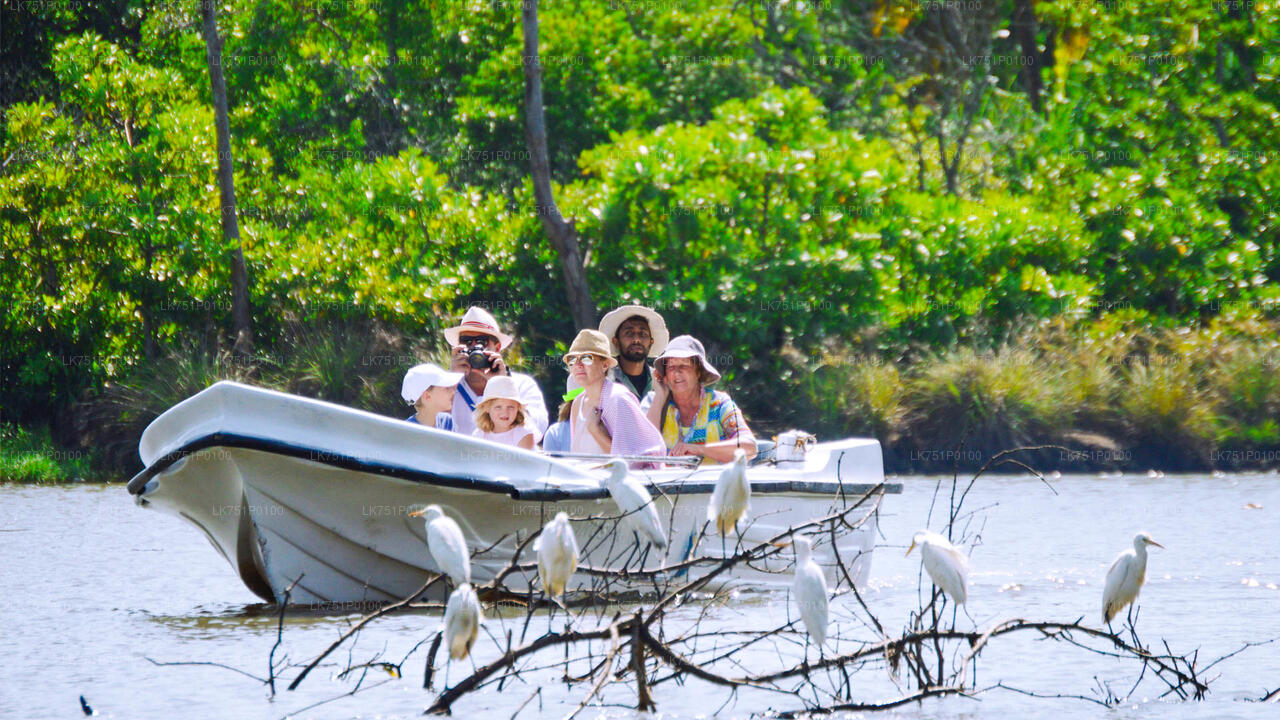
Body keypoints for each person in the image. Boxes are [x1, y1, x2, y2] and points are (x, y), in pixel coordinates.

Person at [643, 335, 757, 463]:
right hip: (664, 477)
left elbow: (749, 447)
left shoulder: (720, 404)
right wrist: (659, 396)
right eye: (671, 367)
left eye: (684, 366)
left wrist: (699, 449)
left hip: (713, 477)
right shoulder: (653, 402)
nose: (677, 372)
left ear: (698, 372)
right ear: (665, 376)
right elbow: (641, 449)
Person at [444, 306, 548, 438]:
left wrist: (503, 386)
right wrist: (450, 382)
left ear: (497, 348)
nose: (474, 348)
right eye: (466, 341)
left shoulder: (522, 385)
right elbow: (430, 428)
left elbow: (538, 430)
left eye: (482, 342)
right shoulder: (444, 387)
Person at [564, 329, 665, 459]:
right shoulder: (578, 403)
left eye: (586, 358)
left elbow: (634, 459)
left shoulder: (618, 399)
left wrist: (596, 432)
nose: (578, 365)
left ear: (605, 365)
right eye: (572, 359)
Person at [597, 304, 670, 400]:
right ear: (616, 342)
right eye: (629, 333)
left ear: (651, 343)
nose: (636, 339)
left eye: (643, 334)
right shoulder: (603, 381)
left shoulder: (661, 381)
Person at [471, 376, 536, 449]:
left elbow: (522, 456)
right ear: (487, 408)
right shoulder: (479, 434)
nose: (505, 413)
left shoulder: (523, 434)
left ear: (518, 408)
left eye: (511, 407)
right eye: (498, 407)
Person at [401, 363, 464, 429]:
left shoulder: (447, 422)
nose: (453, 392)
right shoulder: (406, 431)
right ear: (427, 396)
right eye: (447, 388)